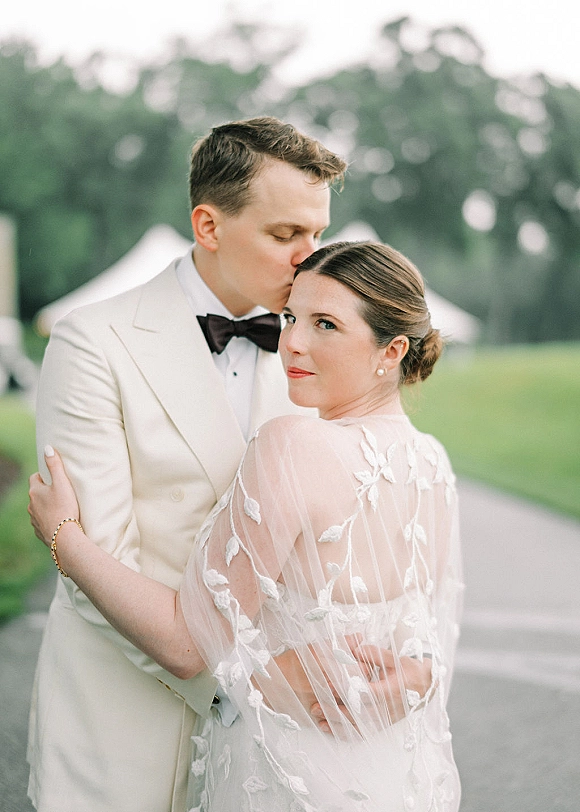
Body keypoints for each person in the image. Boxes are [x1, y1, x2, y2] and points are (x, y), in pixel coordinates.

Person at [27, 119, 428, 812]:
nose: (311, 258)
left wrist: (394, 669)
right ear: (209, 226)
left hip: (280, 751)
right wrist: (256, 684)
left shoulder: (319, 348)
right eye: (285, 235)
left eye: (317, 232)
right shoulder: (92, 343)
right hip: (125, 733)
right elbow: (99, 564)